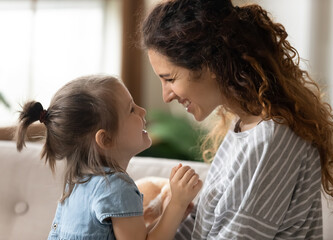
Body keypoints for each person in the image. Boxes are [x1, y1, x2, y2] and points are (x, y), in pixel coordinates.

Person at [141, 0, 333, 239]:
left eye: (170, 79)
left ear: (210, 65)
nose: (165, 96)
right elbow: (201, 230)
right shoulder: (243, 128)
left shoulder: (272, 138)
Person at [15, 74, 203, 240]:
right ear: (106, 139)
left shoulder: (77, 183)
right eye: (131, 109)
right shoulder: (118, 188)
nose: (142, 111)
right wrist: (177, 204)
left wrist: (168, 215)